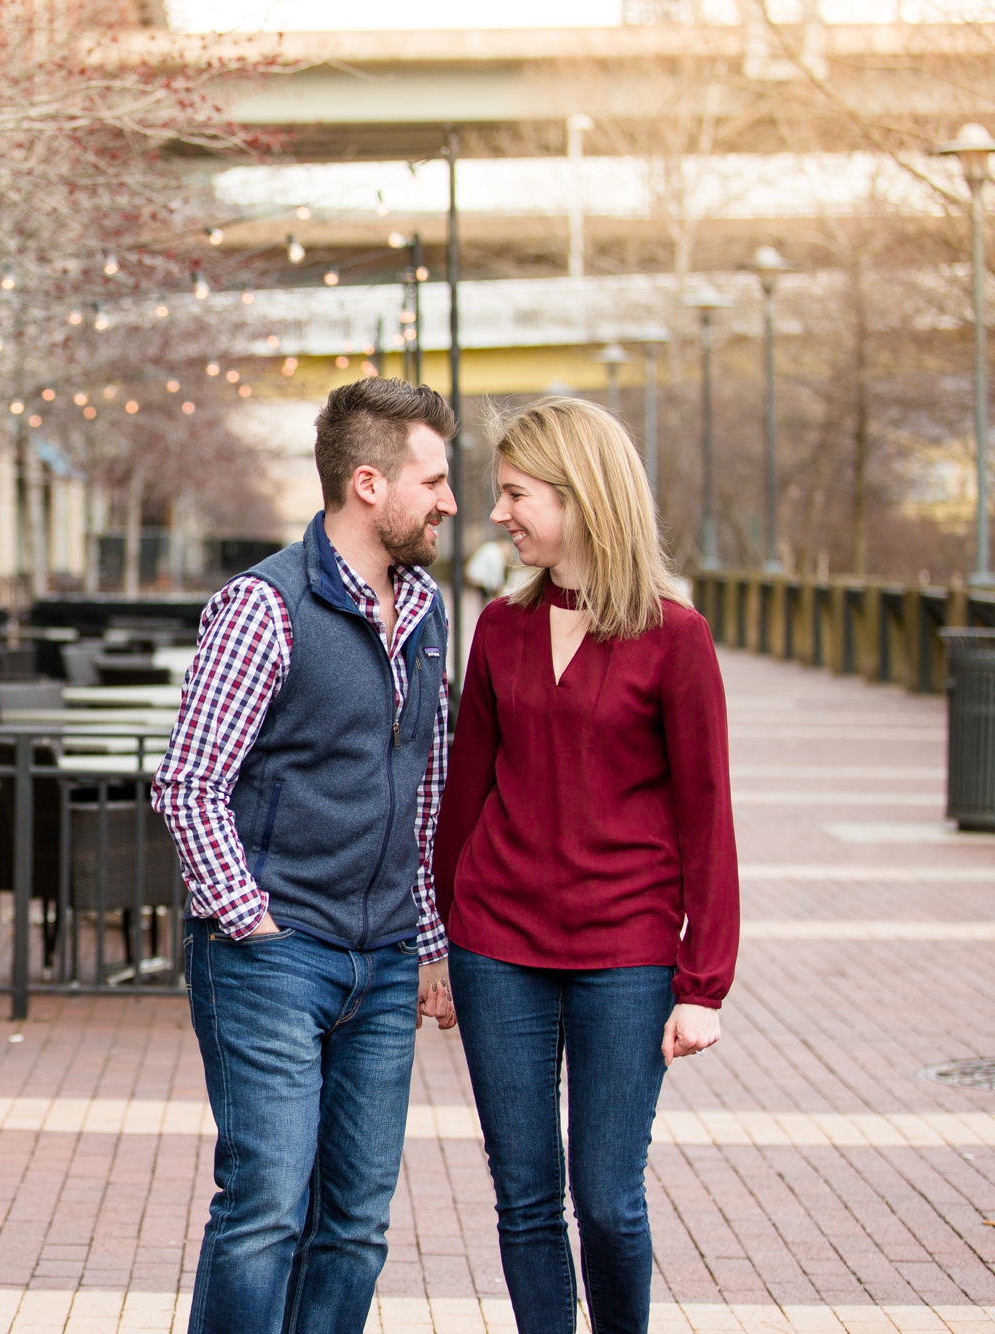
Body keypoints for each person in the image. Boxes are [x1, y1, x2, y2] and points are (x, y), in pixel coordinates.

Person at [153, 378, 460, 1334]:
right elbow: (189, 780)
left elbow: (427, 787)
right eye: (435, 480)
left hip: (382, 959)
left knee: (357, 1226)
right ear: (369, 483)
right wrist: (250, 917)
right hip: (273, 958)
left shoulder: (426, 610)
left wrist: (431, 940)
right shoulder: (263, 605)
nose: (449, 500)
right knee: (266, 1214)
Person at [433, 397, 740, 1334]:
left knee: (608, 1198)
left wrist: (704, 984)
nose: (498, 513)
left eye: (517, 494)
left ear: (580, 496)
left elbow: (707, 817)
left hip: (627, 956)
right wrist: (439, 942)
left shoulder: (675, 638)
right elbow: (463, 797)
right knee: (524, 1200)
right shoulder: (501, 629)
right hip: (497, 948)